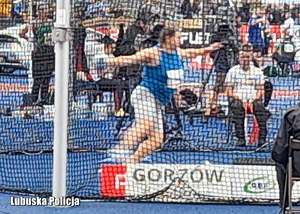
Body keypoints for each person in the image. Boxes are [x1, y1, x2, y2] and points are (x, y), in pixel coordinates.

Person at [102, 27, 223, 163]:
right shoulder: (154, 53)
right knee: (146, 124)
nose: (180, 39)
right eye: (178, 37)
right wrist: (107, 61)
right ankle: (120, 149)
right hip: (146, 94)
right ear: (168, 38)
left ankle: (130, 163)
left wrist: (211, 48)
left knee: (156, 140)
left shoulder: (177, 53)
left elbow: (194, 52)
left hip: (159, 101)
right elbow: (130, 59)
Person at [224, 43, 270, 147]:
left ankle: (262, 138)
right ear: (238, 58)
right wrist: (240, 98)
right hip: (238, 99)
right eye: (242, 57)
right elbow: (229, 91)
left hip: (253, 100)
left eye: (247, 57)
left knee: (260, 108)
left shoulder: (257, 72)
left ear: (251, 58)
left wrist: (252, 100)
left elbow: (261, 91)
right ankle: (241, 138)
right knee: (237, 107)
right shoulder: (232, 71)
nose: (245, 59)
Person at [20, 3, 54, 106]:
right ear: (38, 11)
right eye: (42, 10)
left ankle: (44, 99)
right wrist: (32, 40)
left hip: (49, 51)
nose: (43, 12)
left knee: (47, 77)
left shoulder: (51, 22)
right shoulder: (34, 22)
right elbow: (21, 33)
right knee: (37, 78)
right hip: (38, 52)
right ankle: (34, 99)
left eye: (45, 10)